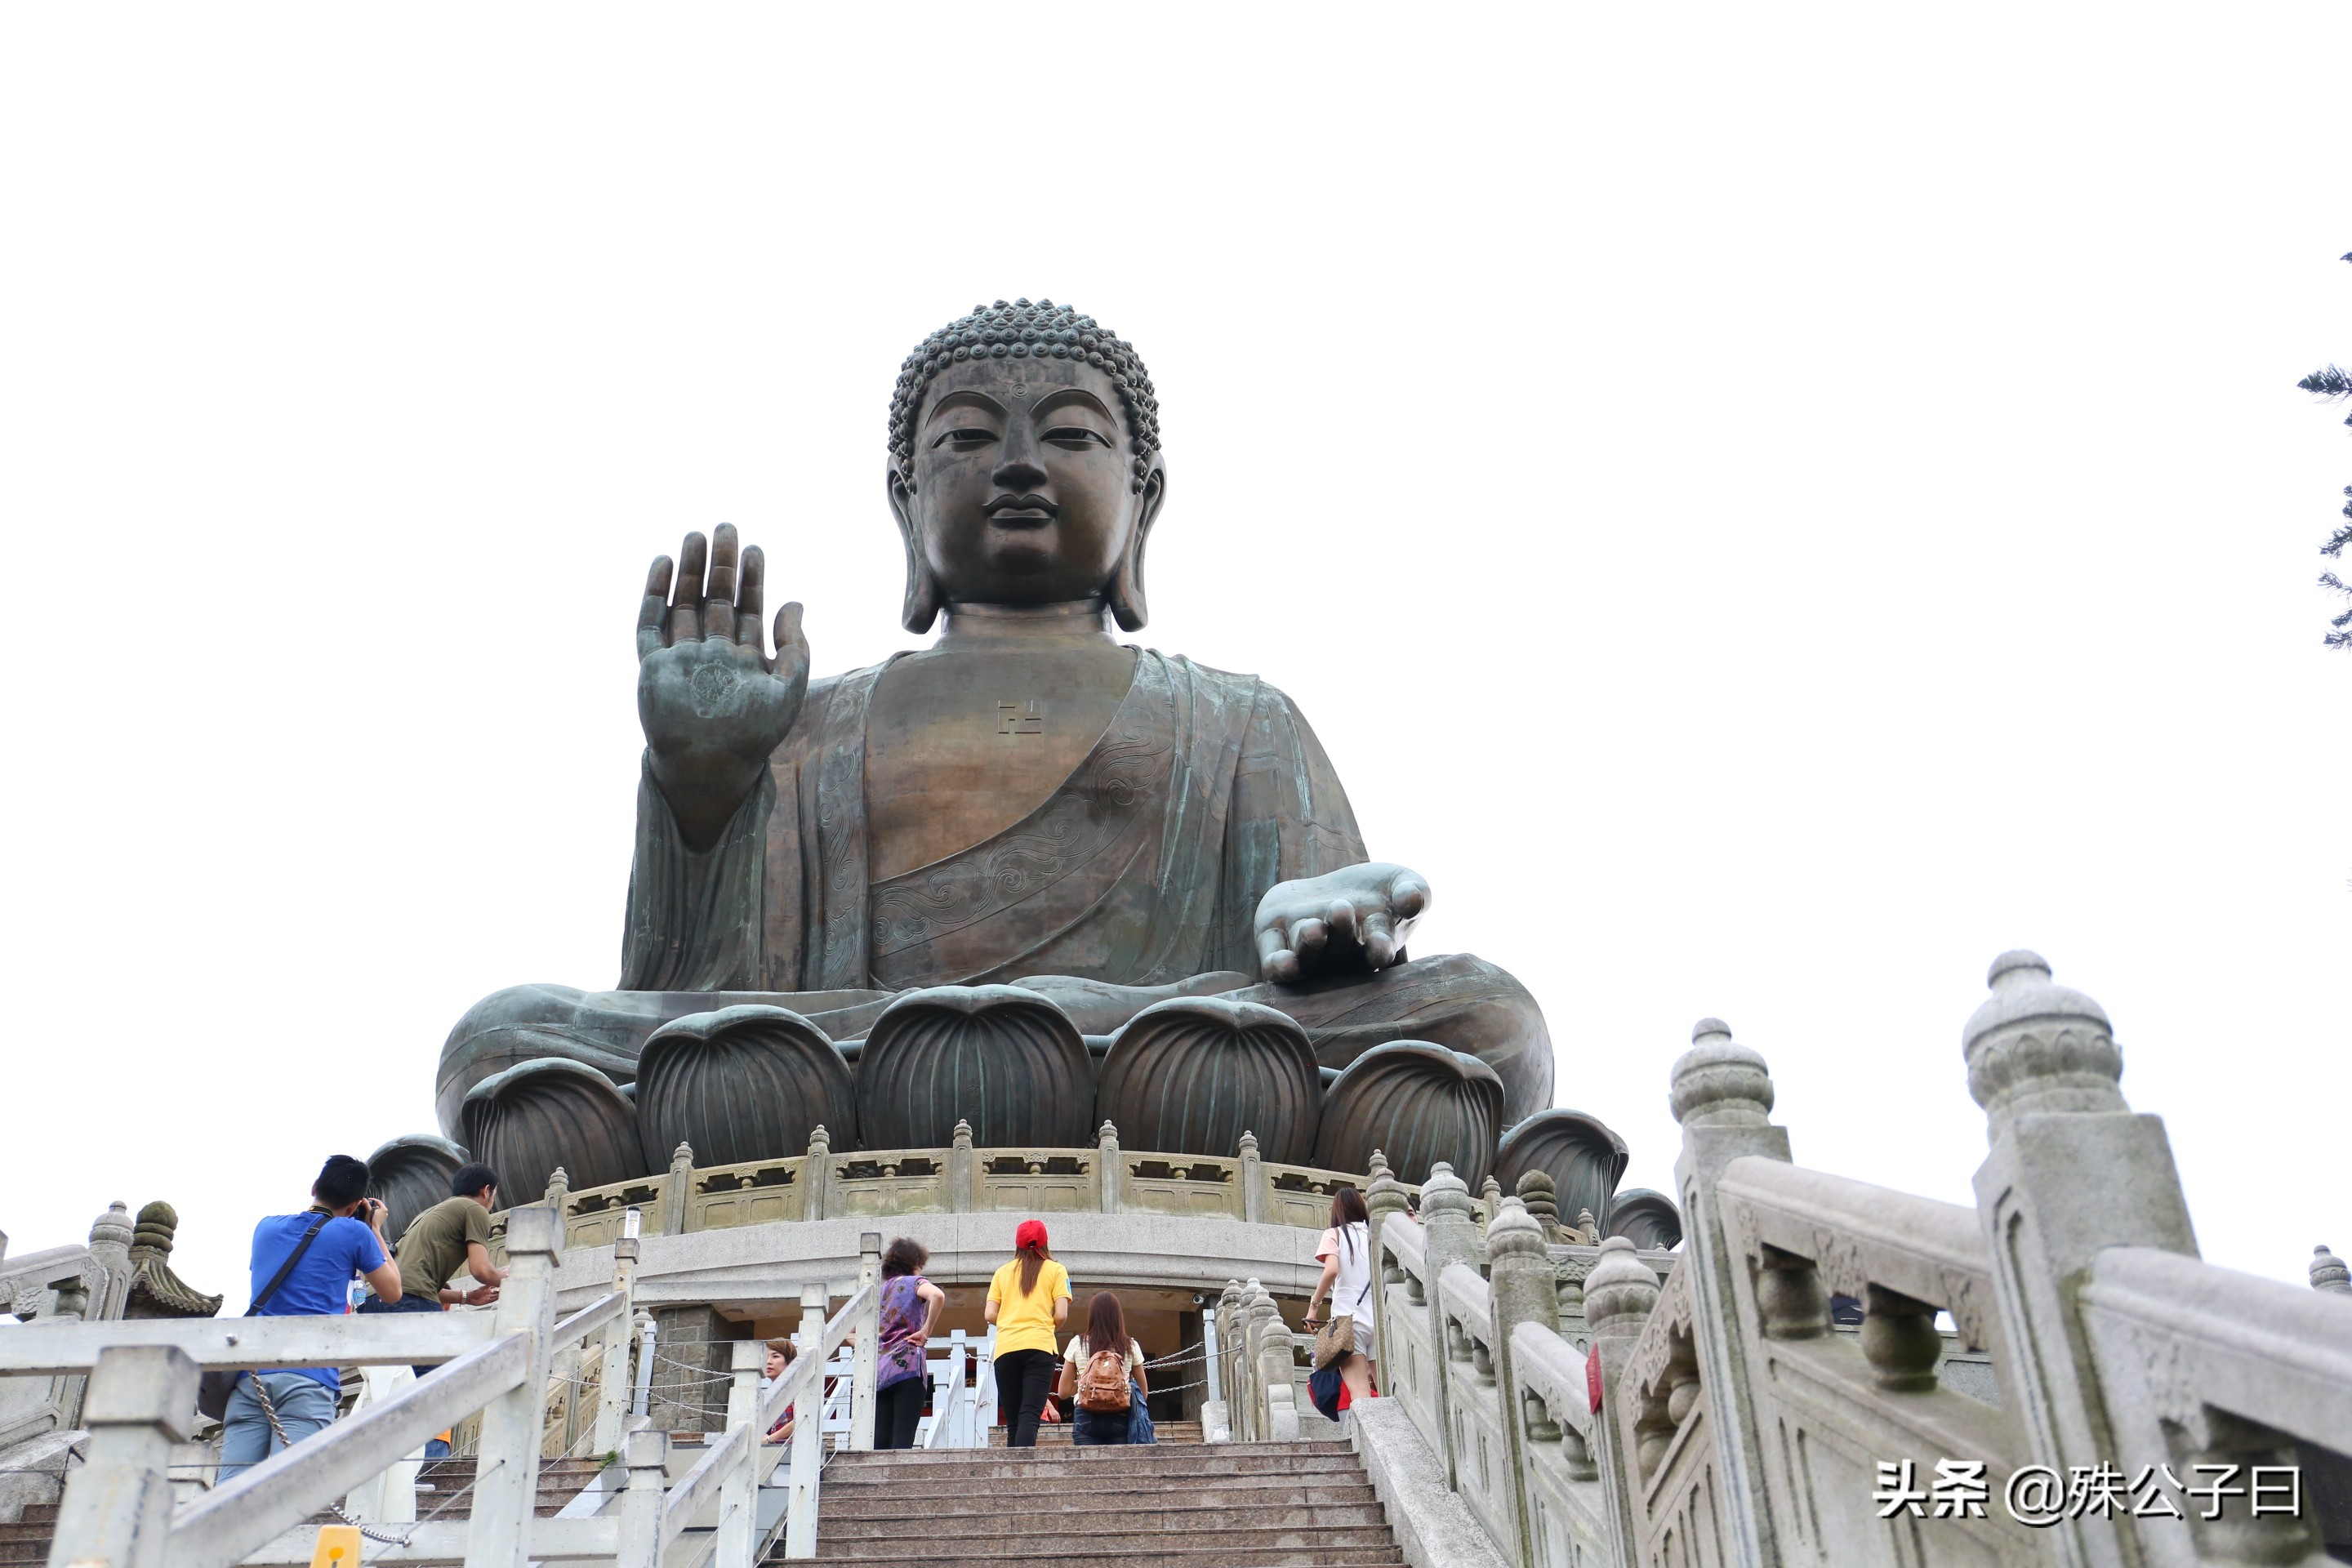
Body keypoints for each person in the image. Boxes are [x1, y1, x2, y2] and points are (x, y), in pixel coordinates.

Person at [220, 1156, 404, 1482]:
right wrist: (373, 1228)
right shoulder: (354, 1232)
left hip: (251, 1377)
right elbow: (393, 1291)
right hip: (309, 1378)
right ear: (354, 1206)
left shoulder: (265, 1228)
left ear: (315, 1187)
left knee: (229, 1488)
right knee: (288, 1491)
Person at [359, 1162, 505, 1377]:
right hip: (410, 1304)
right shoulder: (476, 1210)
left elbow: (412, 1281)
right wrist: (512, 1277)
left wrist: (468, 1297)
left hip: (373, 1301)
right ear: (486, 1191)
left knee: (398, 1389)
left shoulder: (429, 1213)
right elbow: (480, 1269)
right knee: (437, 1387)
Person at [983, 1219, 1070, 1447]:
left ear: (1017, 1244)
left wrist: (1010, 1321)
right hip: (1040, 1346)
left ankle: (1014, 1475)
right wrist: (1044, 1326)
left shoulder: (1002, 1272)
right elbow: (1061, 1314)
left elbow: (990, 1314)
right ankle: (1023, 1472)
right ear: (1045, 1242)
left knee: (1013, 1422)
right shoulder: (1056, 1270)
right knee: (1030, 1416)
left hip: (1006, 1348)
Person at [1303, 1185, 1378, 1410]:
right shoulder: (1376, 1235)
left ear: (1337, 1211)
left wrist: (1313, 1307)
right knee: (1386, 1391)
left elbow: (1332, 1269)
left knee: (1360, 1392)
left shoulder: (1334, 1234)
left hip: (1349, 1324)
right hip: (1379, 1320)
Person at [875, 1238, 946, 1449]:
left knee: (880, 1442)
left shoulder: (877, 1292)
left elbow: (852, 1334)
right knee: (903, 1439)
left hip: (880, 1372)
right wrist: (926, 1331)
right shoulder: (914, 1282)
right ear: (914, 1264)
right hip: (908, 1367)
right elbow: (937, 1296)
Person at [1055, 1292, 1146, 1448]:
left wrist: (1089, 1384)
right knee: (1118, 1471)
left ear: (1092, 1316)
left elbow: (1063, 1392)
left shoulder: (1078, 1343)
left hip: (1086, 1416)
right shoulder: (1130, 1346)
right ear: (1118, 1316)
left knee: (1087, 1470)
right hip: (1120, 1416)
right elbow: (1143, 1394)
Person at [760, 1338, 797, 1446]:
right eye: (766, 1357)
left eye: (775, 1356)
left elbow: (800, 1418)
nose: (768, 1362)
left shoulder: (796, 1386)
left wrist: (769, 1439)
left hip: (792, 1450)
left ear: (789, 1361)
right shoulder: (771, 1392)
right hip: (777, 1451)